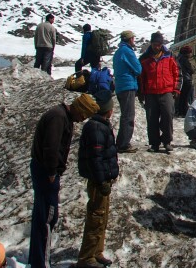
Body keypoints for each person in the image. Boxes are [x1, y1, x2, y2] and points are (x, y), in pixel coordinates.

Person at [28, 93, 99, 268]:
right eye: (84, 115)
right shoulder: (58, 118)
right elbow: (51, 147)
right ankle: (41, 263)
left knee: (42, 216)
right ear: (79, 109)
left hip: (44, 170)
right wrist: (52, 171)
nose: (83, 119)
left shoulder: (60, 115)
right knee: (47, 218)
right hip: (46, 172)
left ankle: (36, 259)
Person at [74, 90, 119, 268]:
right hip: (99, 181)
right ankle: (86, 258)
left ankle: (97, 251)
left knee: (102, 217)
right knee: (96, 218)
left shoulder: (101, 125)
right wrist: (101, 180)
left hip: (104, 179)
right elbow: (96, 157)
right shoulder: (96, 128)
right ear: (107, 110)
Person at [138, 32, 180, 153]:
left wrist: (176, 89)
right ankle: (154, 143)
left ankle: (167, 141)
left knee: (167, 115)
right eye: (155, 44)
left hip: (166, 90)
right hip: (150, 92)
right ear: (151, 44)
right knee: (152, 118)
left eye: (159, 44)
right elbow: (141, 77)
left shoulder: (170, 55)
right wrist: (141, 92)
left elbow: (177, 73)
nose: (157, 47)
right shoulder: (144, 59)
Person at [113, 30, 141, 153]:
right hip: (128, 85)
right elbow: (138, 68)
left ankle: (121, 141)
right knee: (128, 115)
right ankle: (123, 144)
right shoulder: (127, 52)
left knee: (125, 114)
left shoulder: (118, 52)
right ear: (130, 39)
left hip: (120, 85)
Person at [174, 46, 194, 117]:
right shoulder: (185, 60)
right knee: (186, 98)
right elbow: (191, 70)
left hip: (180, 81)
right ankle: (184, 112)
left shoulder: (177, 59)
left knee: (180, 97)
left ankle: (179, 111)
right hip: (186, 80)